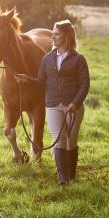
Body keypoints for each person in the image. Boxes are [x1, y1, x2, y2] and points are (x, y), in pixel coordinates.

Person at [15, 20, 90, 186]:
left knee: (71, 142)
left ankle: (71, 174)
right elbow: (41, 82)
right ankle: (63, 179)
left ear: (66, 36)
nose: (53, 37)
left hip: (73, 106)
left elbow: (85, 84)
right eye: (53, 33)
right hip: (53, 105)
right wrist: (27, 80)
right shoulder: (47, 59)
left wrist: (76, 103)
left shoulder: (79, 59)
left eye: (56, 34)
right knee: (59, 140)